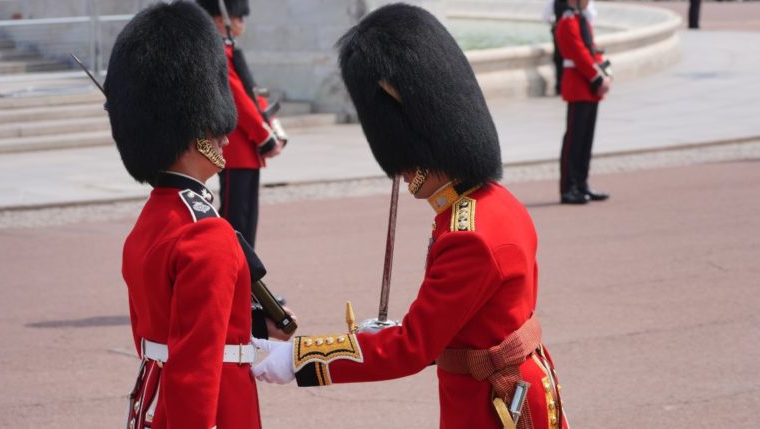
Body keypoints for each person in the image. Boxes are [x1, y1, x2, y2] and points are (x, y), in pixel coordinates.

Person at [251, 5, 569, 429]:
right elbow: (460, 323)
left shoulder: (469, 235)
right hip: (502, 389)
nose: (401, 173)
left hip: (492, 406)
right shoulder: (492, 204)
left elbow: (412, 348)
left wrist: (296, 358)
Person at [105, 2, 275, 427]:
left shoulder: (152, 220)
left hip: (153, 402)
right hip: (214, 408)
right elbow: (198, 368)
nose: (223, 136)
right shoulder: (206, 235)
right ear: (197, 133)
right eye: (216, 129)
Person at [196, 0, 286, 247]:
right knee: (234, 222)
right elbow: (239, 100)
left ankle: (246, 280)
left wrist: (270, 123)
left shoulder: (228, 50)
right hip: (235, 147)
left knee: (246, 223)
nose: (241, 22)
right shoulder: (216, 53)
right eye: (238, 17)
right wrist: (264, 136)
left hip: (247, 147)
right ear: (218, 19)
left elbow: (251, 91)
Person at [555, 0, 611, 204]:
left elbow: (592, 49)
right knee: (574, 141)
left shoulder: (581, 20)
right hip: (579, 86)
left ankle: (582, 183)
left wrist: (606, 72)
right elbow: (578, 54)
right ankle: (569, 187)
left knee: (586, 140)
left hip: (589, 87)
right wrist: (597, 78)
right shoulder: (567, 21)